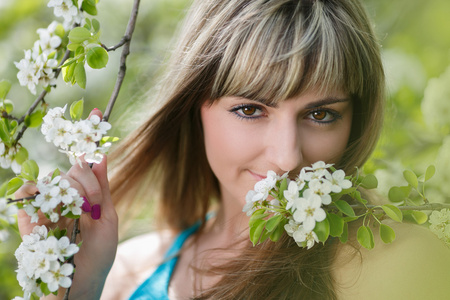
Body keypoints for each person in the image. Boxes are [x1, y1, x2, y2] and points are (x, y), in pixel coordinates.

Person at [16, 0, 450, 299]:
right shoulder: (126, 271)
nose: (287, 158)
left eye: (320, 115)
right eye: (250, 109)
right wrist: (80, 289)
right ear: (194, 107)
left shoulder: (397, 264)